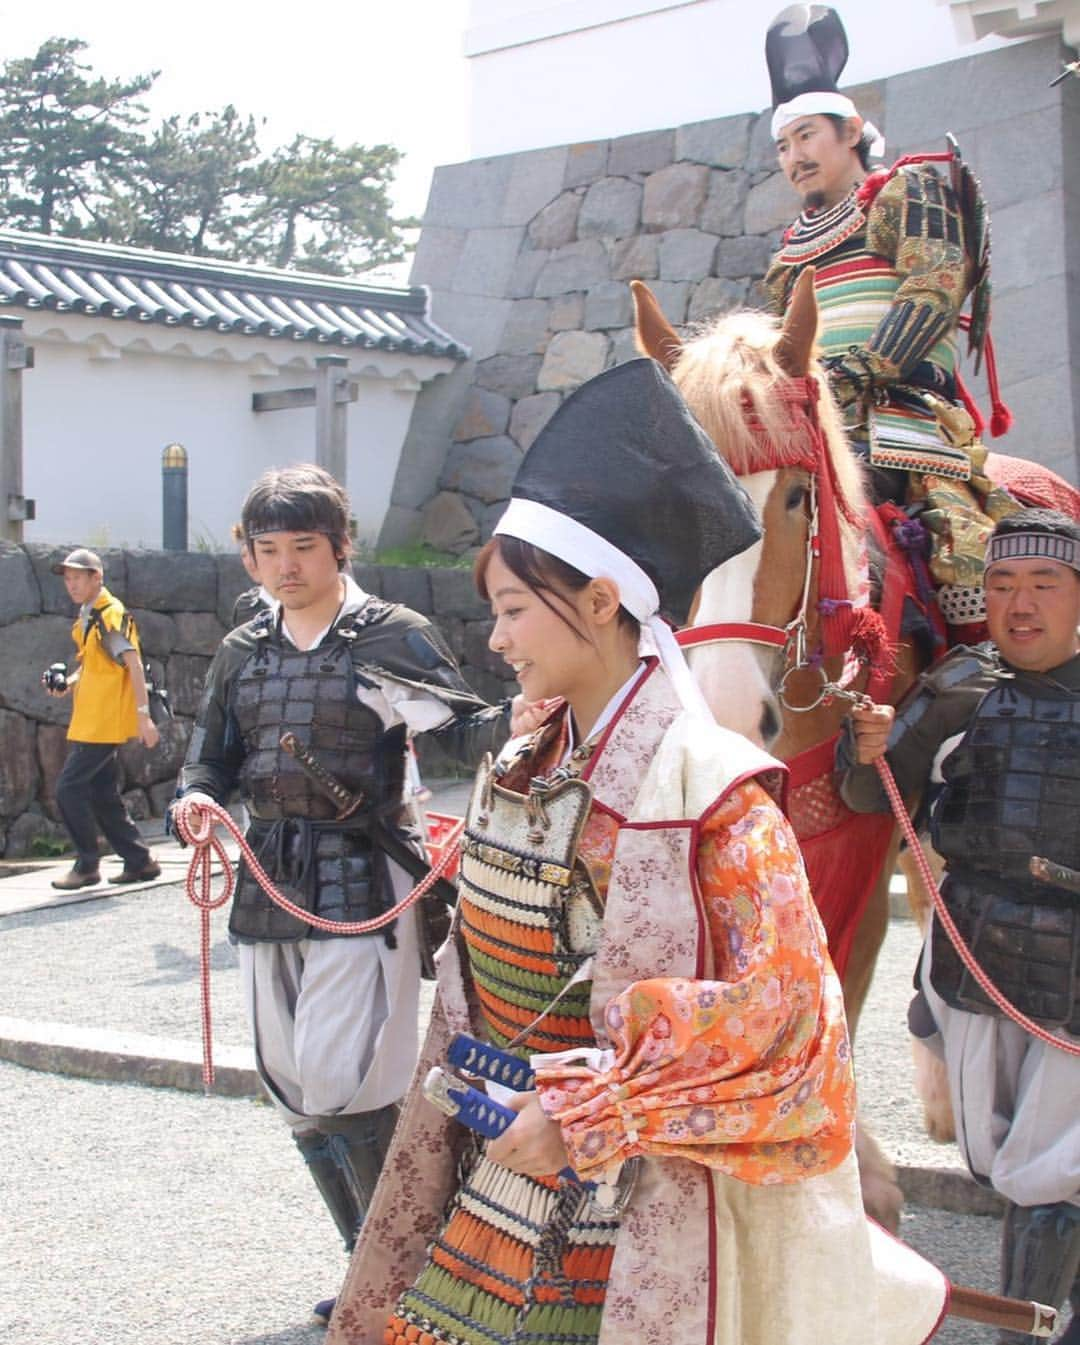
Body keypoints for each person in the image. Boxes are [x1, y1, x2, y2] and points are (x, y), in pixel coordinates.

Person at [328, 360, 950, 1345]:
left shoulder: (711, 791)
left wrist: (596, 1107)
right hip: (501, 1183)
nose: (496, 640)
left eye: (515, 609)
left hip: (647, 1219)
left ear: (606, 601)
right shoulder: (529, 757)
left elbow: (788, 1022)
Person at [170, 464, 521, 1324]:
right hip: (267, 877)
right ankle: (369, 1266)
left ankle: (407, 1268)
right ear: (248, 558)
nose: (286, 565)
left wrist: (539, 699)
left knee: (347, 1079)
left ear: (340, 546)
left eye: (303, 546)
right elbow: (209, 754)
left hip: (366, 874)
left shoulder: (389, 634)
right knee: (293, 1089)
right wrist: (195, 798)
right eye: (269, 550)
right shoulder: (240, 651)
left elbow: (467, 729)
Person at [841, 507, 1080, 1344]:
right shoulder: (958, 691)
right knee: (1003, 1159)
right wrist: (866, 745)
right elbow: (876, 795)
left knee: (1053, 1173)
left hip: (1075, 979)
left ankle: (1032, 1331)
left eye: (1045, 584)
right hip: (974, 961)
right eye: (1005, 584)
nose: (1022, 603)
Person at [762, 3, 1019, 641]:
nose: (794, 157)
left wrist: (858, 371)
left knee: (957, 554)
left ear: (850, 132)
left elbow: (933, 284)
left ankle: (978, 666)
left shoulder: (902, 192)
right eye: (783, 146)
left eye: (807, 137)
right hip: (812, 418)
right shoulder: (791, 247)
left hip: (899, 414)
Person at [44, 547, 161, 891]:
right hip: (92, 718)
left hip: (103, 722)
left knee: (68, 789)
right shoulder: (90, 614)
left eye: (78, 577)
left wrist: (144, 717)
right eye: (68, 579)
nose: (72, 584)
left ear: (97, 577)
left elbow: (133, 664)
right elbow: (97, 665)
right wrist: (67, 684)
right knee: (102, 793)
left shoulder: (109, 614)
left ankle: (86, 864)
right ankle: (139, 861)